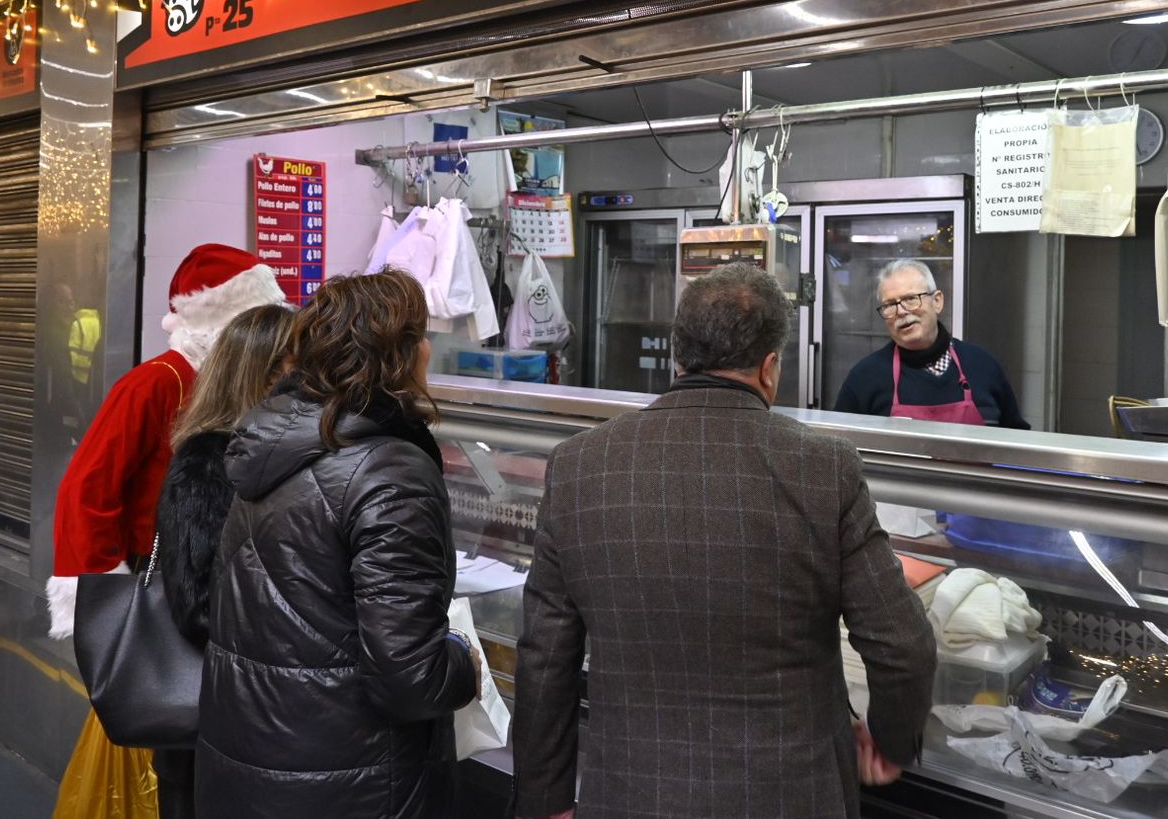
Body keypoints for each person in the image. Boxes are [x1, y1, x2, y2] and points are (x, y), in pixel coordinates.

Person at [513, 263, 938, 819]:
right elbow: (902, 645)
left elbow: (545, 656)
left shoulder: (580, 464)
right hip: (792, 796)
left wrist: (544, 799)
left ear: (678, 358)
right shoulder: (824, 466)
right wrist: (890, 741)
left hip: (631, 793)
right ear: (769, 367)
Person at [197, 270, 480, 818]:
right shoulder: (389, 471)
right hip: (352, 780)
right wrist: (465, 663)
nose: (428, 349)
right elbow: (408, 676)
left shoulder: (268, 444)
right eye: (420, 336)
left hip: (252, 760)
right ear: (397, 353)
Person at [47, 243, 286, 639]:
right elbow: (87, 487)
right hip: (153, 572)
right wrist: (104, 591)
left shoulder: (248, 385)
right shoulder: (156, 383)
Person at [150, 303, 295, 819]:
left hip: (254, 723)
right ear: (267, 374)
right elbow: (196, 604)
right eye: (300, 367)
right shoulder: (208, 461)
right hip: (208, 725)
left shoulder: (277, 456)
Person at [835, 258, 1028, 428]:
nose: (901, 311)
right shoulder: (866, 376)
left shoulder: (983, 366)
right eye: (890, 305)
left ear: (937, 301)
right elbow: (840, 448)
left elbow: (1016, 441)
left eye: (911, 299)